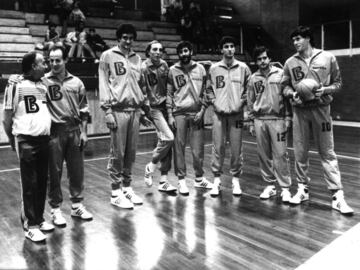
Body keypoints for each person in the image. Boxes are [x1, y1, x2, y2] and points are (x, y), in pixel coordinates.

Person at [281, 26, 353, 214]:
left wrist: (325, 90)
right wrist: (292, 94)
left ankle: (337, 195)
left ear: (307, 39)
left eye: (298, 38)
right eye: (293, 39)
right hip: (300, 111)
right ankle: (302, 189)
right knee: (300, 151)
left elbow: (338, 83)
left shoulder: (328, 57)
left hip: (321, 109)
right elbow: (284, 87)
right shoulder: (290, 62)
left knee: (327, 152)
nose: (295, 42)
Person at [2, 52, 54, 242]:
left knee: (42, 182)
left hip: (43, 139)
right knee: (29, 183)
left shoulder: (43, 85)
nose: (46, 66)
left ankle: (39, 219)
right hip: (25, 139)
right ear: (33, 66)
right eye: (42, 63)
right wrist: (11, 138)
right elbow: (6, 117)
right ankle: (29, 225)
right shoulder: (15, 85)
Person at [98, 24, 152, 209]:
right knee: (118, 152)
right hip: (118, 110)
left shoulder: (138, 59)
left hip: (135, 111)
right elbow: (103, 83)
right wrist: (107, 111)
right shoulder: (107, 56)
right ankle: (115, 192)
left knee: (131, 152)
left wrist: (144, 110)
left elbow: (141, 86)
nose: (128, 41)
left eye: (131, 38)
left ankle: (127, 187)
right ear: (118, 38)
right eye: (125, 38)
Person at [42, 44, 93, 227]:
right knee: (53, 173)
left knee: (76, 171)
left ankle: (77, 205)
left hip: (74, 131)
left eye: (58, 60)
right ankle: (55, 209)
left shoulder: (77, 82)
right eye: (51, 60)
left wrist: (84, 132)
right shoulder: (43, 81)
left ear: (65, 60)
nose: (54, 64)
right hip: (54, 133)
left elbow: (84, 110)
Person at [206, 36, 251, 197]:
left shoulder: (243, 67)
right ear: (221, 49)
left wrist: (242, 104)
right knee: (218, 147)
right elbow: (209, 89)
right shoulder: (214, 68)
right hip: (218, 114)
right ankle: (217, 180)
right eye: (226, 46)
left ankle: (235, 180)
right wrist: (214, 103)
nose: (230, 49)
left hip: (237, 114)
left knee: (236, 148)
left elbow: (249, 89)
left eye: (232, 46)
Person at [166, 41, 213, 195]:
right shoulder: (172, 70)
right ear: (178, 54)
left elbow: (207, 91)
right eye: (181, 52)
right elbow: (169, 94)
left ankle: (199, 179)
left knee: (198, 149)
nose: (184, 54)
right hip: (178, 114)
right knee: (178, 148)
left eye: (186, 51)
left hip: (196, 114)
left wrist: (203, 110)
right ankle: (181, 181)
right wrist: (169, 115)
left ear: (191, 52)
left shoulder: (201, 69)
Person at [247, 46, 292, 202]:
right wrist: (251, 122)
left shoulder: (280, 75)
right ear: (256, 61)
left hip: (278, 119)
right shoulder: (253, 78)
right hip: (260, 120)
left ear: (270, 59)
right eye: (259, 59)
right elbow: (250, 101)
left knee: (281, 154)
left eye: (265, 58)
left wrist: (288, 118)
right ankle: (270, 185)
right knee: (264, 155)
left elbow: (287, 100)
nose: (262, 61)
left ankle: (285, 188)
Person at [142, 41, 176, 192]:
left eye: (160, 50)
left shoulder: (164, 65)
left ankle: (163, 181)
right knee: (168, 138)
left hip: (165, 107)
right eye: (154, 49)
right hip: (153, 108)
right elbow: (140, 91)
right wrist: (144, 111)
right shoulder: (143, 68)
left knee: (168, 145)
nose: (157, 52)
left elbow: (168, 87)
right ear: (148, 51)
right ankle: (151, 166)